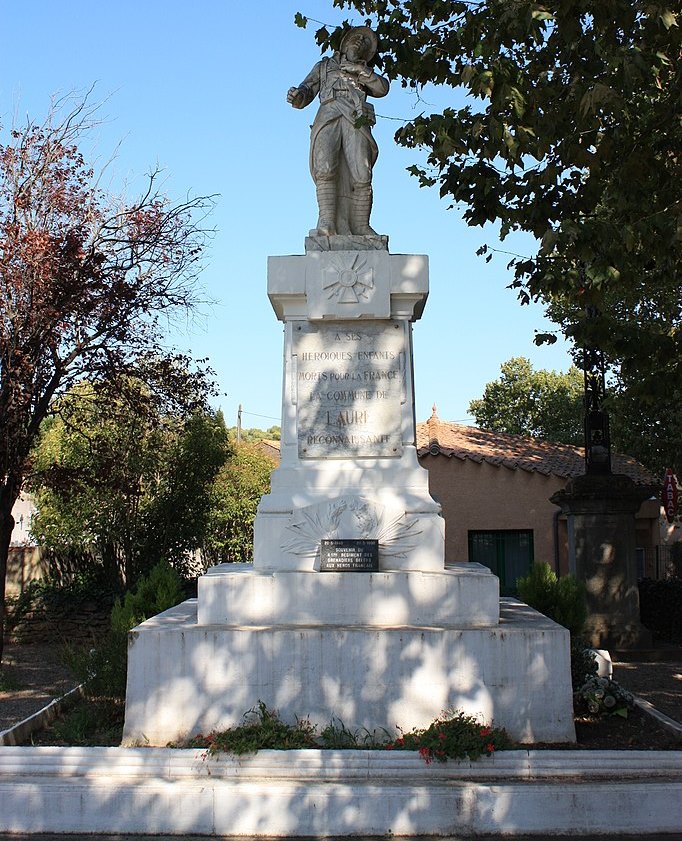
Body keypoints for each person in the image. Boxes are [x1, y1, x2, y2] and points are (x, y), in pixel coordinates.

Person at [287, 27, 389, 237]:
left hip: (356, 117)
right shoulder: (325, 66)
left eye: (365, 42)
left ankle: (361, 226)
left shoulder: (363, 71)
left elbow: (382, 89)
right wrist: (297, 96)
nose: (359, 41)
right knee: (324, 169)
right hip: (328, 114)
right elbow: (306, 89)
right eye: (356, 37)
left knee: (362, 174)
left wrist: (360, 71)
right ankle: (326, 222)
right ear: (345, 42)